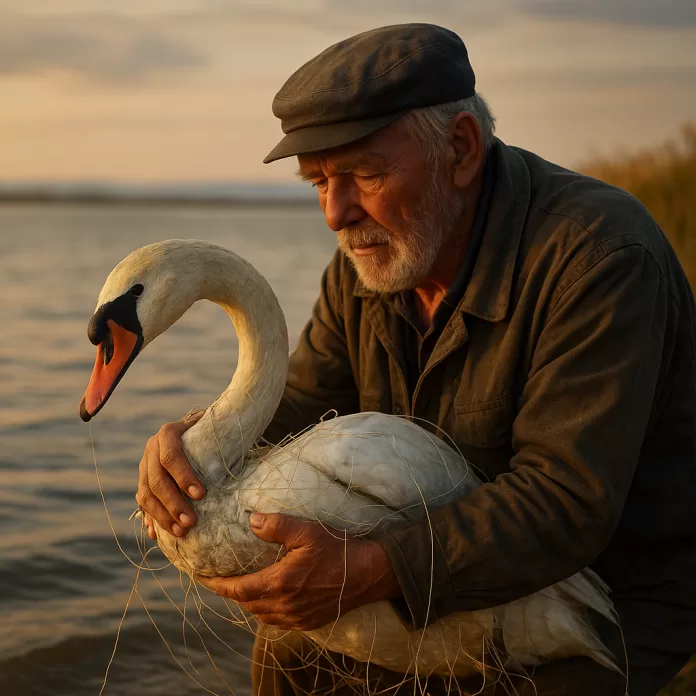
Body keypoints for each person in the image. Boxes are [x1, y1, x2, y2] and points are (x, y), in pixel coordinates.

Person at [135, 23, 696, 696]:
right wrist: (193, 449)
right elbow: (293, 407)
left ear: (460, 149)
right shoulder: (371, 268)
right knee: (285, 653)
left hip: (609, 590)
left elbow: (565, 500)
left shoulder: (597, 259)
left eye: (364, 174)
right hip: (455, 570)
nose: (335, 215)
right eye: (317, 182)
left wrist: (372, 568)